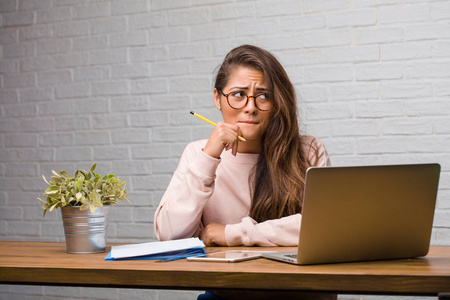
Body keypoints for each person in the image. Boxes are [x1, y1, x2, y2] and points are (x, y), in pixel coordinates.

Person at [154, 45, 334, 300]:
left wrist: (231, 234)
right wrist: (210, 156)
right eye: (238, 94)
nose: (250, 107)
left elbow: (322, 228)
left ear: (277, 102)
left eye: (263, 96)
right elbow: (171, 237)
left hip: (301, 293)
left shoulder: (308, 150)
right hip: (229, 294)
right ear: (217, 98)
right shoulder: (198, 154)